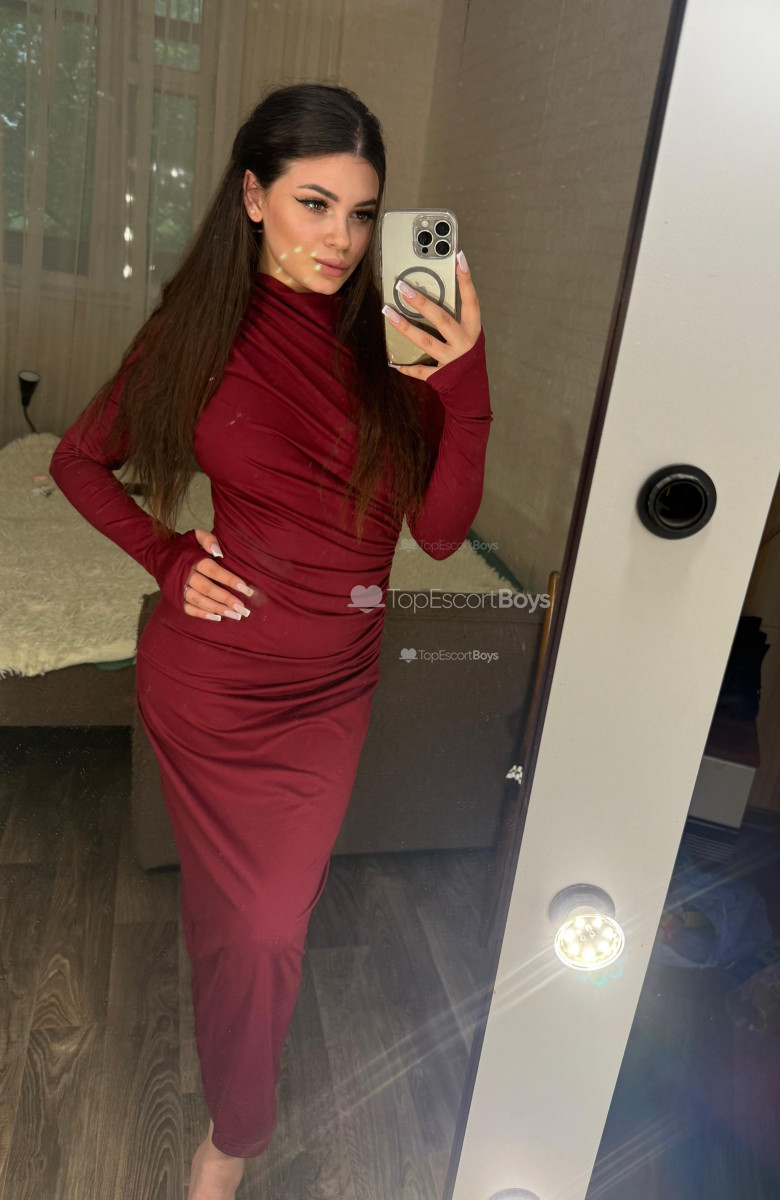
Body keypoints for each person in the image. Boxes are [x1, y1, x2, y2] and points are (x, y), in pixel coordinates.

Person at [49, 82, 492, 1199]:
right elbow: (77, 461)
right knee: (240, 924)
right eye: (313, 204)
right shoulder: (198, 334)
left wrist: (466, 388)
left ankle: (231, 1127)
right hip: (210, 684)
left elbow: (440, 535)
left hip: (329, 692)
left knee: (260, 924)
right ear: (253, 196)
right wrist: (168, 559)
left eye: (362, 213)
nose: (341, 239)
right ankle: (234, 1131)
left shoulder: (395, 347)